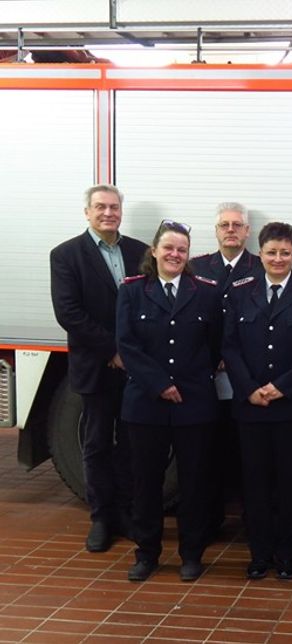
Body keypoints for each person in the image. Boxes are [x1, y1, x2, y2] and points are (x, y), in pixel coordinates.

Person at [221, 222, 292, 581]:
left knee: (291, 483)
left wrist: (284, 386)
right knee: (254, 483)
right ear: (261, 253)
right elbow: (229, 345)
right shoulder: (239, 291)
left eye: (285, 253)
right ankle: (259, 554)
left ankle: (286, 554)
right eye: (271, 252)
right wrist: (249, 388)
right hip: (251, 407)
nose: (278, 259)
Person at [116, 220, 222, 582]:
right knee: (147, 483)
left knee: (194, 483)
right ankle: (146, 553)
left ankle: (191, 554)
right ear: (155, 252)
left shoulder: (206, 292)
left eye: (182, 249)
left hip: (194, 403)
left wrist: (187, 382)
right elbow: (127, 344)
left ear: (188, 255)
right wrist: (160, 383)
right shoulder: (132, 291)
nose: (175, 254)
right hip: (146, 403)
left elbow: (216, 344)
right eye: (169, 248)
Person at [50, 184, 149, 553]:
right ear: (87, 212)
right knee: (95, 444)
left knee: (129, 444)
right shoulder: (65, 255)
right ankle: (101, 517)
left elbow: (149, 305)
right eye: (100, 207)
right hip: (95, 366)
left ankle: (124, 513)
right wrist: (112, 350)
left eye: (114, 207)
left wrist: (132, 353)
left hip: (134, 368)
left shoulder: (140, 252)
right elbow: (69, 313)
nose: (108, 213)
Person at [188, 202, 263, 540]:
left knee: (248, 452)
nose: (231, 230)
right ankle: (210, 519)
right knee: (207, 450)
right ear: (216, 231)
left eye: (237, 225)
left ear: (248, 231)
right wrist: (213, 355)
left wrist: (232, 359)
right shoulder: (196, 267)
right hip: (206, 374)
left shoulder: (262, 267)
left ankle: (253, 519)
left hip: (246, 375)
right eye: (224, 225)